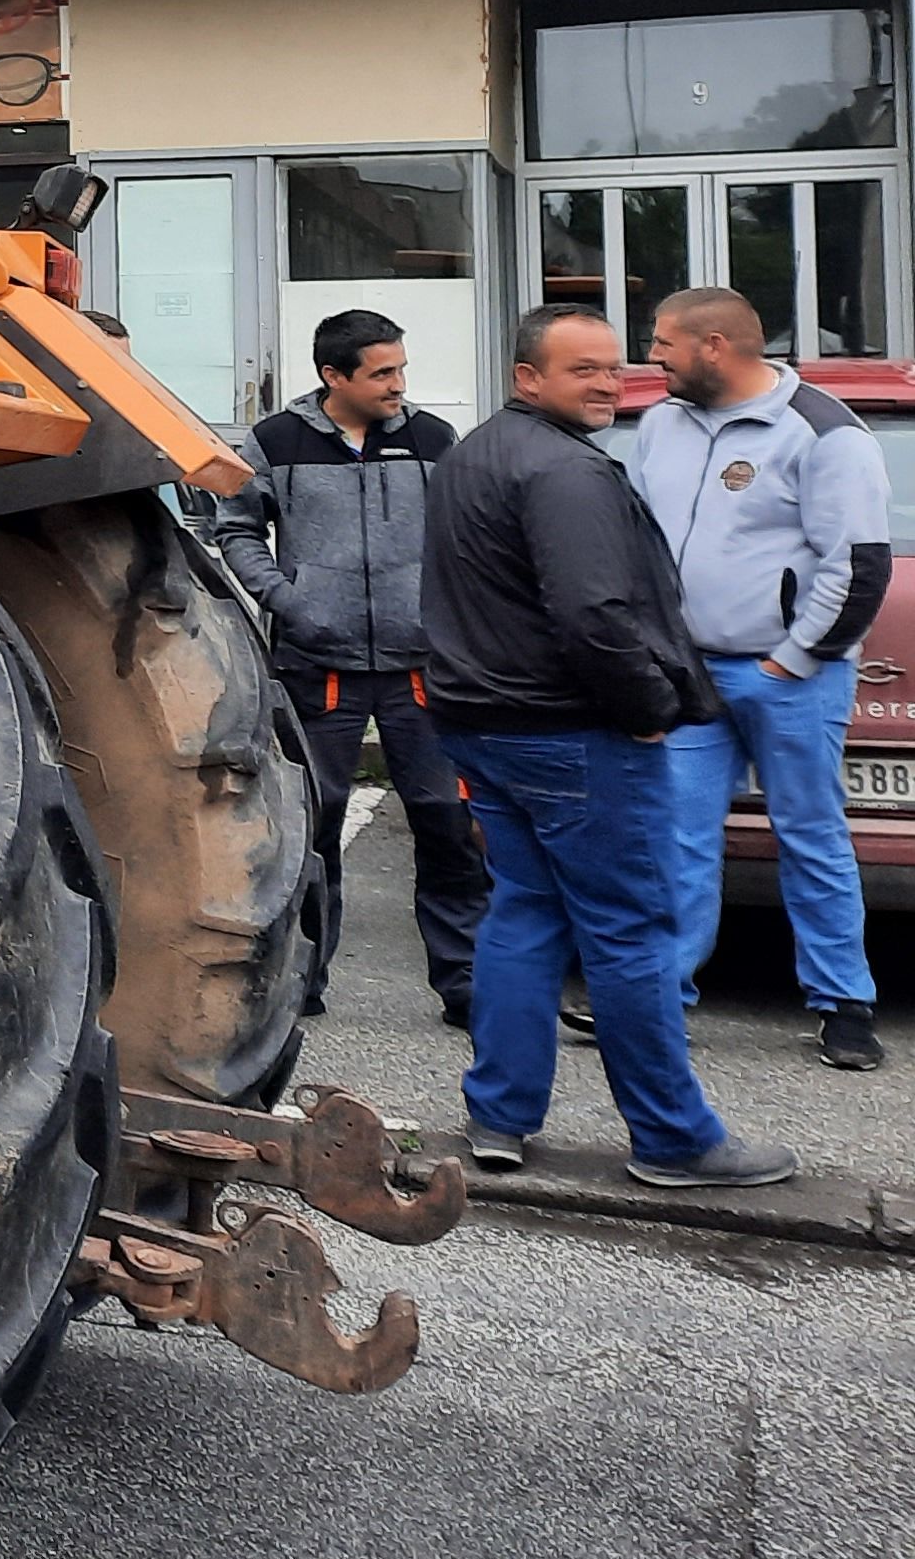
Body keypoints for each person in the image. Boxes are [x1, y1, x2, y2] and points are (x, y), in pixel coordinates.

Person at [420, 301, 793, 1187]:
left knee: (525, 912)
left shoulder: (474, 454)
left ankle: (498, 1119)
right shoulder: (565, 472)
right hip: (572, 734)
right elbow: (594, 615)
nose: (608, 382)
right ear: (527, 379)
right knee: (630, 931)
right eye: (582, 369)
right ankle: (674, 1138)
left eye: (614, 366)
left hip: (485, 725)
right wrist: (647, 706)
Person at [629, 285, 892, 1072]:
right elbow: (640, 542)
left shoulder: (823, 432)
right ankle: (659, 999)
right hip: (688, 675)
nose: (651, 356)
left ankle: (844, 1003)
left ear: (715, 346)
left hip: (789, 679)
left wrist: (794, 659)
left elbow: (860, 565)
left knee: (810, 837)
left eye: (663, 342)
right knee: (675, 837)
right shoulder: (659, 425)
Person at [213, 306, 486, 1024]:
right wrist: (289, 602)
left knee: (446, 821)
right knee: (313, 824)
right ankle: (303, 980)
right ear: (334, 376)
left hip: (422, 672)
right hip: (317, 667)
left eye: (402, 368)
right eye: (383, 372)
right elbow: (237, 529)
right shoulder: (274, 440)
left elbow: (465, 538)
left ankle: (464, 983)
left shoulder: (433, 439)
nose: (399, 384)